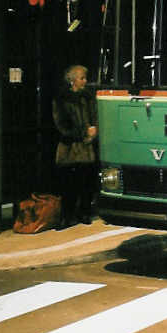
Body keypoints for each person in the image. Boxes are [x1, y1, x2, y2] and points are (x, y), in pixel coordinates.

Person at [52, 64, 98, 228]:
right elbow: (61, 124)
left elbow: (95, 117)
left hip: (85, 146)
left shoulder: (88, 97)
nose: (85, 81)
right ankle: (66, 216)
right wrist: (83, 132)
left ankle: (84, 213)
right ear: (72, 80)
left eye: (85, 78)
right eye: (81, 78)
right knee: (68, 183)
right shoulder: (61, 98)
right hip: (70, 147)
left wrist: (94, 129)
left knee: (86, 182)